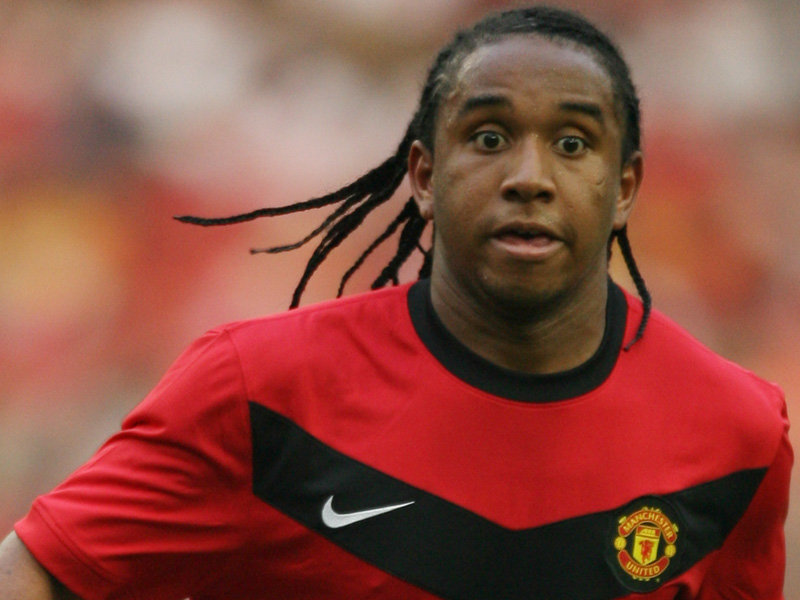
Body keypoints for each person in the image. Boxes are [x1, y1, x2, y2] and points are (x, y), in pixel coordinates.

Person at [0, 5, 791, 600]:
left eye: (573, 144)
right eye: (488, 137)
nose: (530, 177)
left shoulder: (737, 432)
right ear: (422, 176)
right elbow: (34, 575)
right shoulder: (256, 390)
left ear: (625, 188)